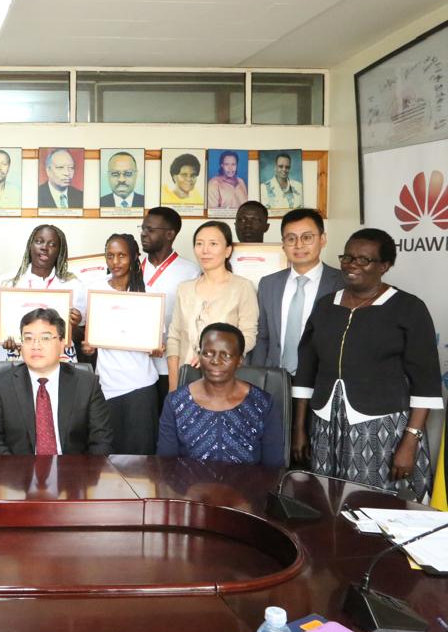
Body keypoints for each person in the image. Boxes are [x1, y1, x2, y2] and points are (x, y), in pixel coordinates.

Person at [292, 228, 441, 497]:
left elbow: (426, 383)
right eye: (347, 257)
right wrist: (300, 429)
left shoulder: (408, 308)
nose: (352, 265)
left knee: (372, 505)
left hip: (381, 430)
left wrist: (411, 440)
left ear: (384, 266)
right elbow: (306, 371)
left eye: (364, 259)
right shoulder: (326, 305)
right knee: (327, 501)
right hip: (325, 426)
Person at [0, 308, 112, 455]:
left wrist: (81, 474)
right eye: (28, 338)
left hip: (73, 472)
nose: (36, 345)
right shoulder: (0, 386)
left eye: (45, 338)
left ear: (62, 343)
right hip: (18, 472)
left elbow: (101, 441)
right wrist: (16, 471)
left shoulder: (87, 385)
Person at [157, 323, 284, 467]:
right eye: (207, 354)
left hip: (247, 488)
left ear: (239, 361)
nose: (215, 361)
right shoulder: (176, 402)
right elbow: (166, 465)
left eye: (226, 355)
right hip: (188, 488)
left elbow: (273, 467)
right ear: (199, 356)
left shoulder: (262, 403)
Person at [82, 234, 161, 454]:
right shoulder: (94, 290)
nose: (115, 262)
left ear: (135, 257)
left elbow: (156, 344)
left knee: (139, 458)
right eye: (110, 256)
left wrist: (155, 347)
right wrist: (88, 347)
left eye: (122, 256)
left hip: (140, 386)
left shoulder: (150, 294)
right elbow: (88, 337)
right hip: (106, 385)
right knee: (107, 456)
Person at [166, 221, 257, 391]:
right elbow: (174, 338)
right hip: (186, 380)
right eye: (199, 244)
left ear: (228, 250)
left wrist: (211, 356)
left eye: (213, 244)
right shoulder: (184, 288)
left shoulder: (243, 287)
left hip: (226, 381)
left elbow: (249, 335)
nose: (205, 250)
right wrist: (173, 387)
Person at [251, 209, 344, 372]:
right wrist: (256, 377)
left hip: (321, 378)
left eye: (307, 237)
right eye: (291, 238)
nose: (298, 245)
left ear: (322, 239)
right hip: (275, 378)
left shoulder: (341, 283)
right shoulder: (268, 284)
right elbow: (262, 337)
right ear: (283, 245)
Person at [0, 224, 85, 362]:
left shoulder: (73, 284)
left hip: (61, 359)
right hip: (20, 357)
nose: (44, 247)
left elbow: (79, 337)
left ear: (59, 251)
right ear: (30, 245)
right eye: (39, 241)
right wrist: (4, 337)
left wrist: (75, 325)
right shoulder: (8, 282)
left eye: (52, 244)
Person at [139, 208, 201, 404]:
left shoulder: (191, 271)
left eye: (150, 229)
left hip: (172, 366)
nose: (143, 233)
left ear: (170, 234)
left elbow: (195, 319)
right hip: (138, 366)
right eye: (142, 228)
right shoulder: (132, 268)